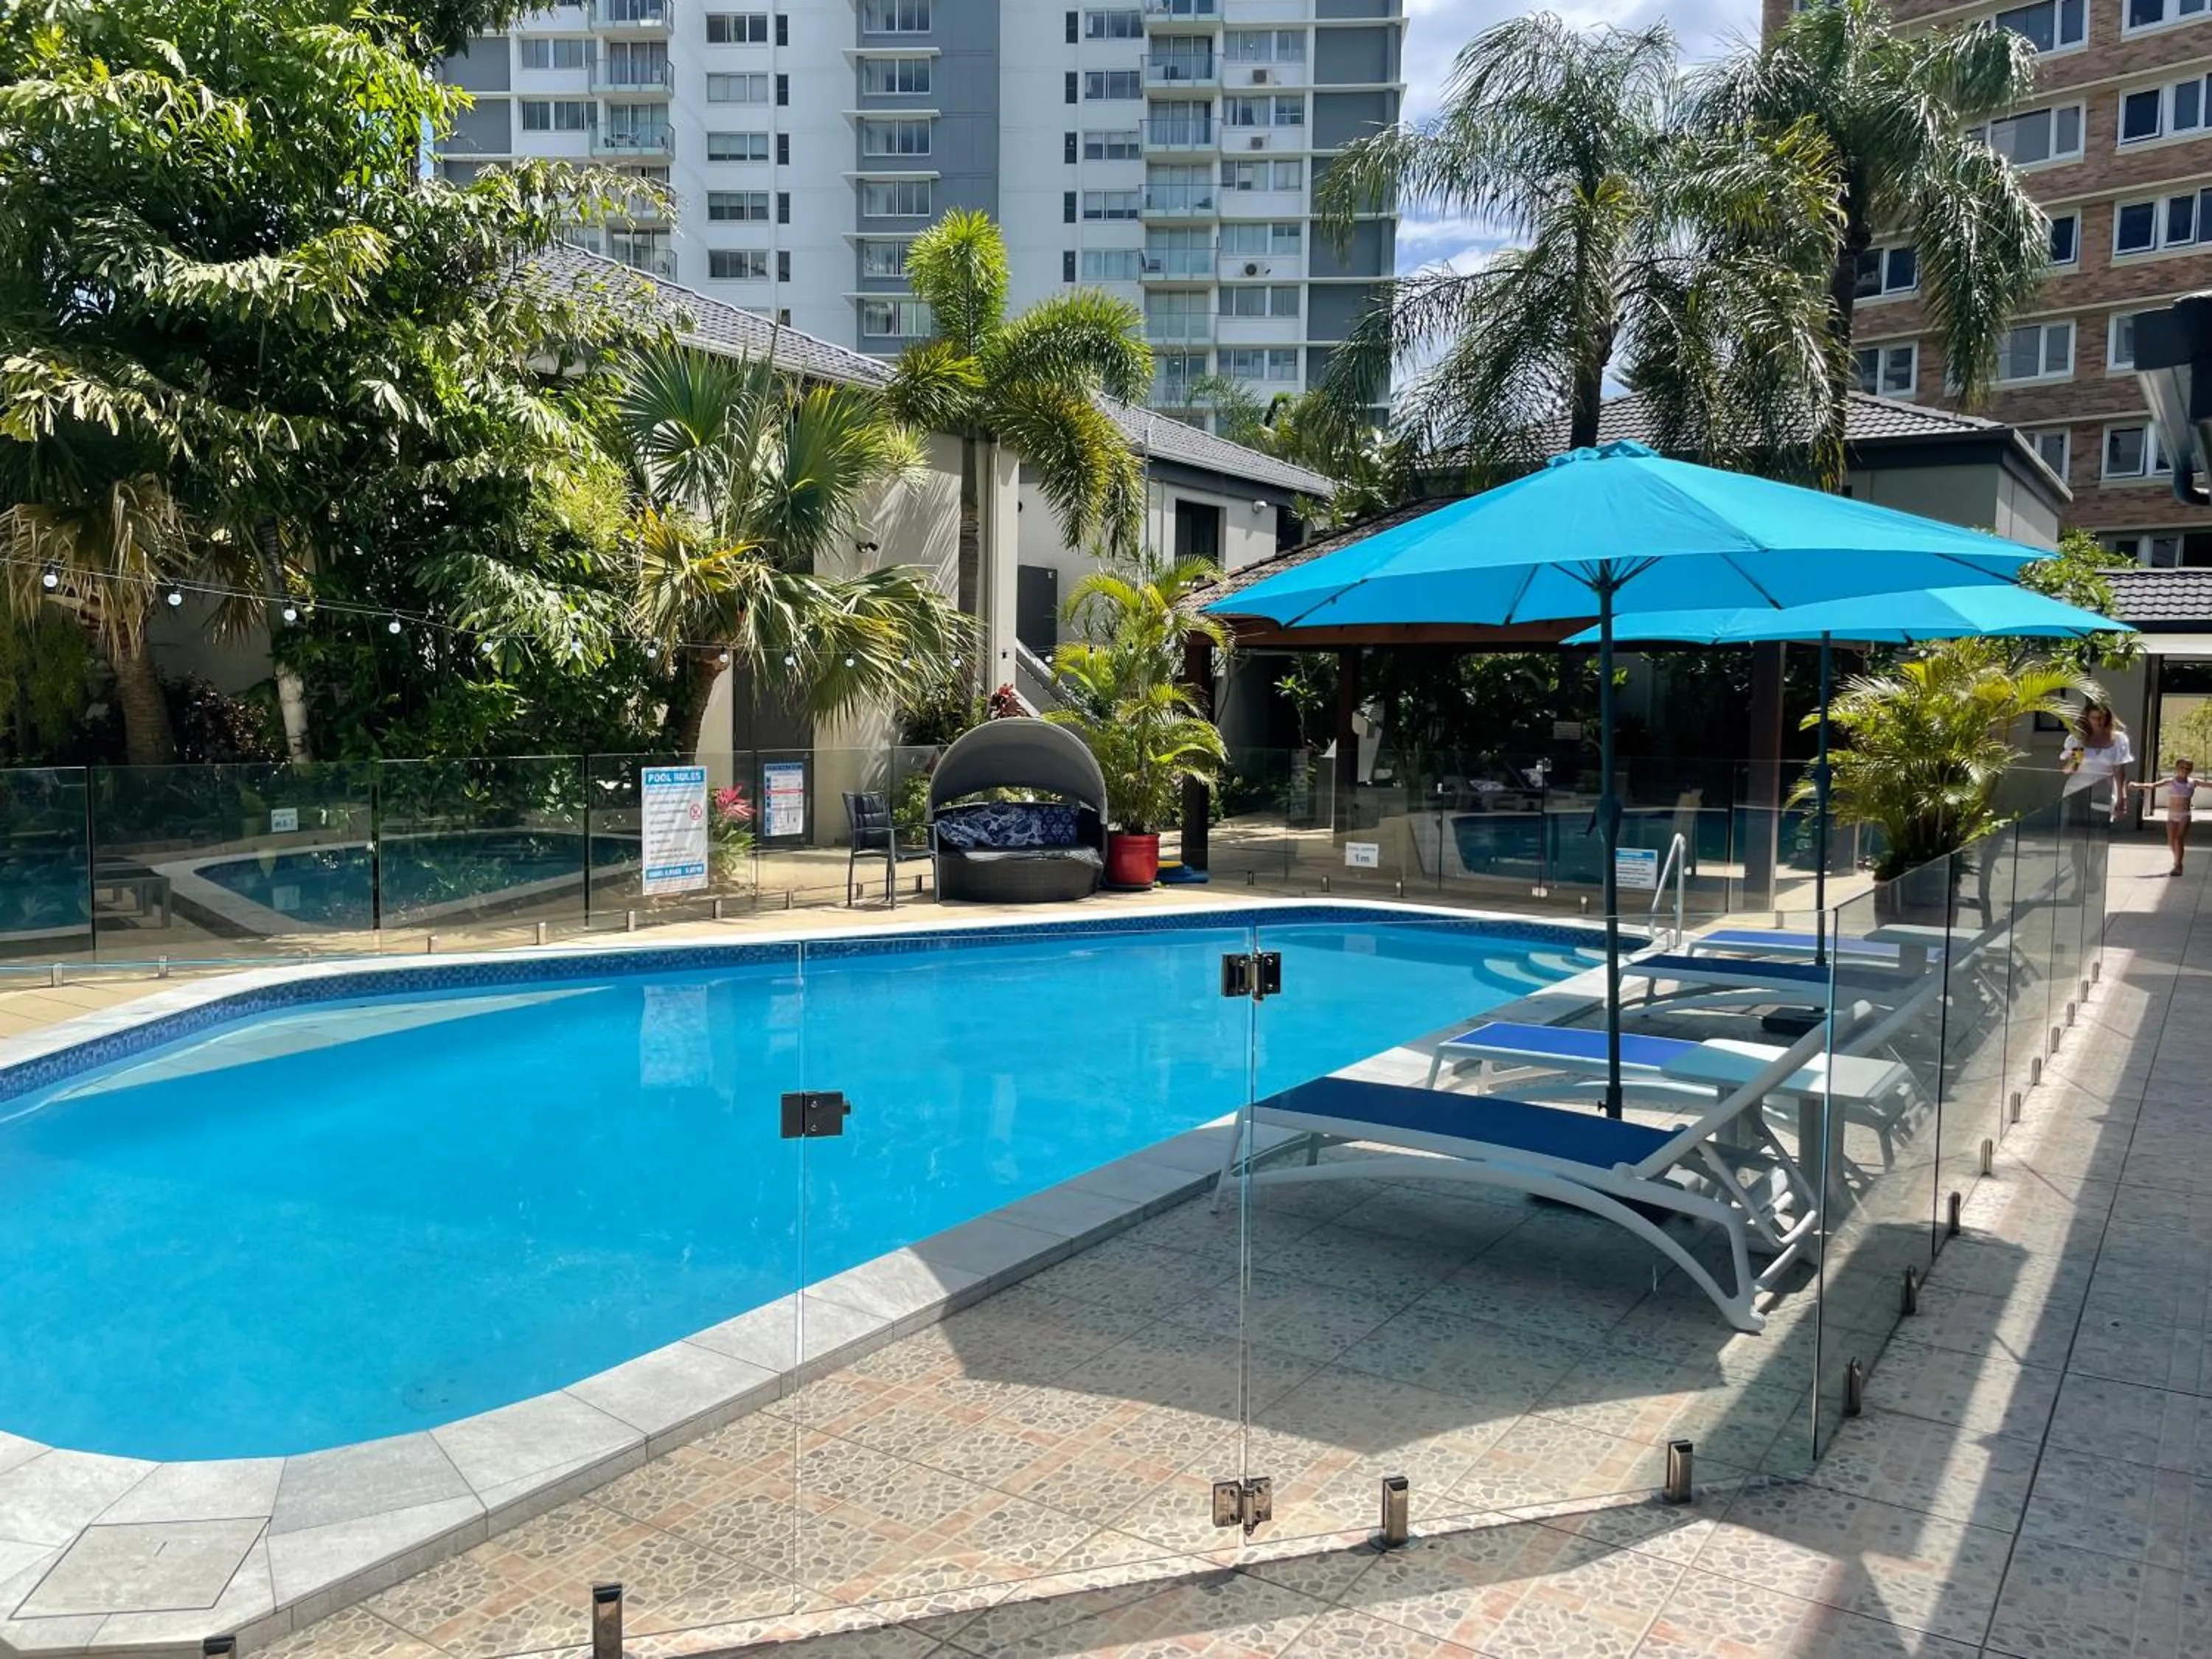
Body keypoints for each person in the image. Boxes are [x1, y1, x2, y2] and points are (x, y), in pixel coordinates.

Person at [2059, 702, 2133, 827]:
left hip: (2103, 792)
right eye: (2094, 718)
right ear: (2087, 719)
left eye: (2101, 717)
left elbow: (2120, 771)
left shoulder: (2119, 740)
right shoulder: (2077, 738)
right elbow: (2068, 770)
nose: (2098, 722)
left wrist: (2122, 797)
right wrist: (2075, 759)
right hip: (2077, 791)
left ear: (2108, 718)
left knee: (2099, 830)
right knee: (2074, 830)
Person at [2132, 756, 2198, 875]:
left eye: (2188, 768)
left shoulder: (2193, 782)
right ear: (2177, 768)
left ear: (2191, 770)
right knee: (2171, 841)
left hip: (2184, 815)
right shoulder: (2171, 781)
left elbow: (2209, 785)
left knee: (2179, 839)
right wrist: (2137, 785)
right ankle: (2177, 860)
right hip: (2172, 815)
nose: (2185, 770)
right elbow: (2153, 785)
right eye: (2182, 767)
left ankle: (2179, 866)